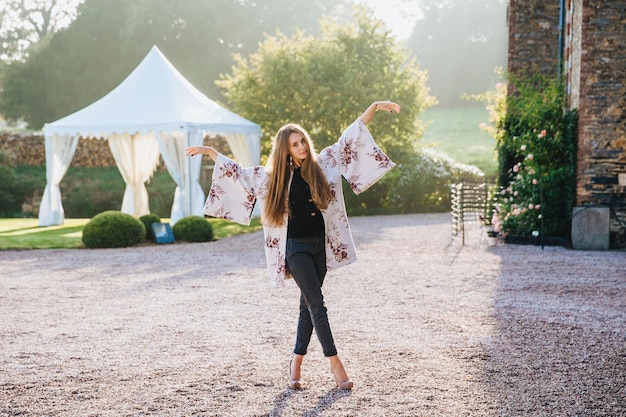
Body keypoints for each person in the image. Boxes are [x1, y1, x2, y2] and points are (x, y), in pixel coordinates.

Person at [185, 101, 400, 390]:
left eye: (302, 141)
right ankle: (335, 364)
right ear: (285, 149)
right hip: (295, 248)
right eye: (295, 144)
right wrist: (211, 153)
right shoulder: (274, 177)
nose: (301, 147)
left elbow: (348, 139)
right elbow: (240, 173)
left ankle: (295, 364)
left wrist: (373, 107)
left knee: (307, 306)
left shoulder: (322, 164)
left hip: (319, 246)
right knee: (317, 303)